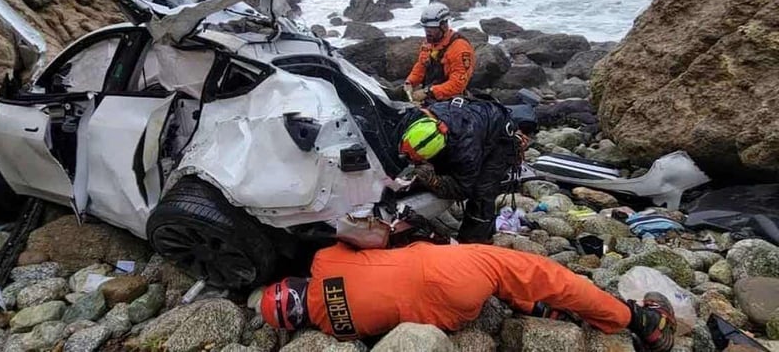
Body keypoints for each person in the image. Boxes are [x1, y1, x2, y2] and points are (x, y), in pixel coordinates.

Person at [252, 242, 676, 352]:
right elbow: (370, 238)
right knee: (541, 273)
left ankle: (539, 309)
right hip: (448, 272)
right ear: (294, 283)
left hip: (452, 315)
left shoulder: (335, 329)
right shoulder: (325, 262)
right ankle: (640, 322)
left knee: (509, 288)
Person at [397, 97, 521, 243]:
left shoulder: (466, 152)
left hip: (498, 136)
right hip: (470, 120)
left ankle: (473, 241)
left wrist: (433, 180)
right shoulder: (414, 119)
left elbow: (463, 189)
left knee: (482, 192)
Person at [404, 3, 475, 102]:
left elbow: (458, 85)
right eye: (426, 28)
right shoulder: (429, 44)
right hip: (431, 93)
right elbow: (421, 66)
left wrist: (428, 92)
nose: (428, 32)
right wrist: (410, 82)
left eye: (432, 28)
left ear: (444, 26)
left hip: (453, 99)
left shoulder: (459, 48)